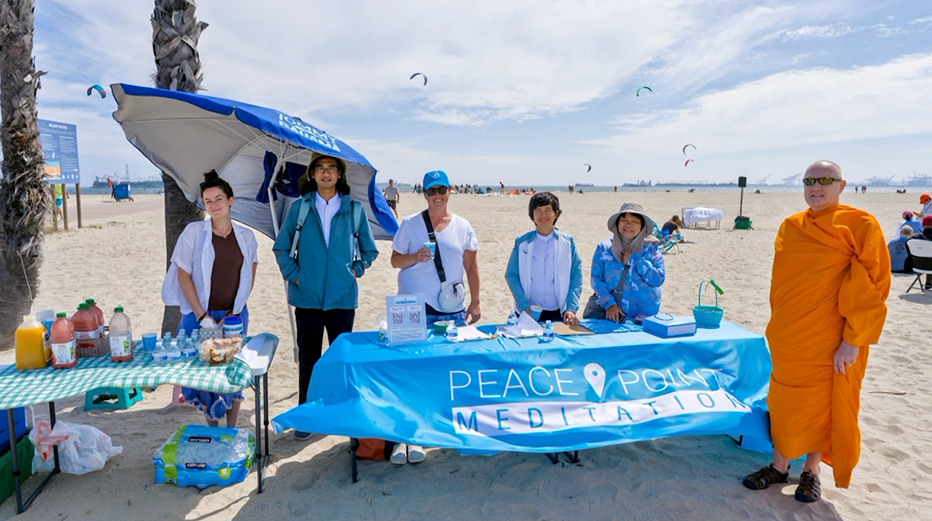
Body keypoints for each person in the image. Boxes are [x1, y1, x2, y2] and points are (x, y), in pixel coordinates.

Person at [742, 160, 890, 503]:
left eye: (826, 180)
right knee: (783, 400)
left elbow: (874, 287)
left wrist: (852, 340)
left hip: (833, 339)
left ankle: (810, 471)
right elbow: (782, 284)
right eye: (809, 181)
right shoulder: (790, 226)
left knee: (824, 405)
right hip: (789, 334)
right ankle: (778, 467)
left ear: (842, 185)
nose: (816, 187)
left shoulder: (860, 225)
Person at [272, 153, 379, 441]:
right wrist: (296, 275)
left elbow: (370, 251)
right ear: (312, 174)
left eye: (332, 168)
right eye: (320, 168)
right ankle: (307, 417)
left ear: (340, 175)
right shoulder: (300, 208)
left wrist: (353, 271)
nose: (326, 173)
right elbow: (281, 248)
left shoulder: (354, 209)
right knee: (309, 359)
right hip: (306, 298)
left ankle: (341, 414)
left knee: (341, 359)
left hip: (343, 298)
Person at [390, 170, 480, 465]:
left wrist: (476, 302)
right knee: (409, 369)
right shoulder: (410, 224)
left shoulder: (463, 226)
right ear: (425, 194)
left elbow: (471, 267)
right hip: (411, 307)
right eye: (431, 191)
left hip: (452, 310)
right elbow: (394, 261)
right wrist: (415, 256)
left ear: (450, 190)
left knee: (446, 370)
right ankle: (406, 437)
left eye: (441, 189)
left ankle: (433, 432)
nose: (437, 195)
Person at [161, 170, 258, 427]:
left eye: (219, 198)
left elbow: (251, 272)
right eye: (208, 201)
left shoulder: (246, 237)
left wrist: (238, 308)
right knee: (204, 376)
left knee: (232, 372)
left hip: (233, 318)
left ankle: (232, 428)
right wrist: (201, 316)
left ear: (231, 200)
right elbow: (183, 275)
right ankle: (213, 430)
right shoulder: (194, 232)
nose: (214, 205)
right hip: (199, 317)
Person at [504, 192, 583, 325]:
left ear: (556, 213)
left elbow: (576, 275)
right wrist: (524, 307)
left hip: (558, 312)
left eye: (548, 210)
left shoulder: (567, 242)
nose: (543, 215)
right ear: (532, 215)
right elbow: (511, 275)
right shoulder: (522, 242)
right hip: (527, 312)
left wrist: (571, 308)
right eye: (538, 211)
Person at [582, 202, 665, 322]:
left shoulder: (651, 249)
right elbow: (596, 279)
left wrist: (634, 260)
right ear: (617, 223)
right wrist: (609, 304)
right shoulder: (604, 248)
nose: (628, 225)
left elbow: (658, 279)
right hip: (612, 317)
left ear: (642, 226)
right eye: (624, 220)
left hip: (643, 319)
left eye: (635, 221)